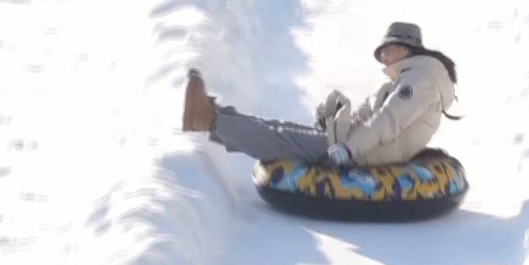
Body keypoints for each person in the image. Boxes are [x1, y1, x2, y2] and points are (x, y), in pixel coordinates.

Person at [180, 21, 460, 168]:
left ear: (407, 49)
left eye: (388, 49)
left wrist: (348, 149)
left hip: (367, 154)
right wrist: (332, 117)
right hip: (362, 144)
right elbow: (369, 115)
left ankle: (210, 120)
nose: (384, 56)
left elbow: (386, 122)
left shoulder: (418, 82)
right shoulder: (409, 78)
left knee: (281, 139)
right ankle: (214, 116)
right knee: (283, 128)